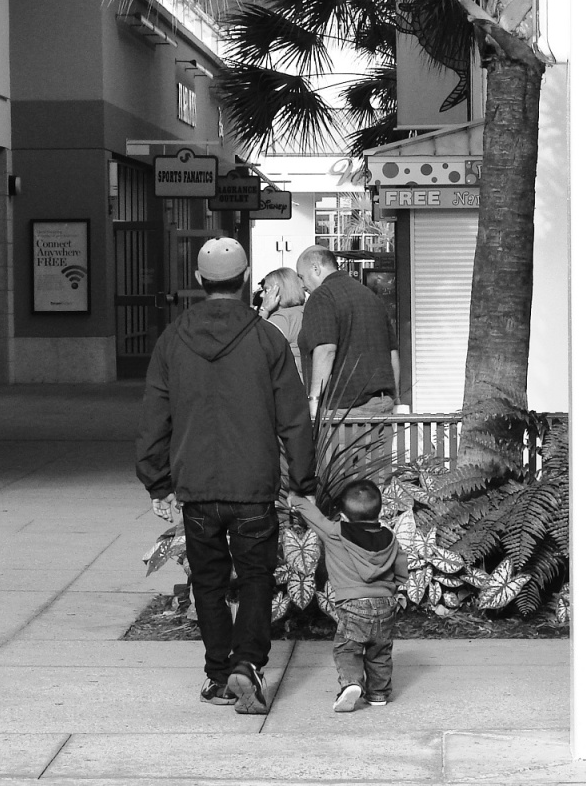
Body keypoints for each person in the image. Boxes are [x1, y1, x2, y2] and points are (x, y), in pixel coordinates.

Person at [136, 237, 318, 715]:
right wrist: (303, 482)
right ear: (246, 277)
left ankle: (219, 674)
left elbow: (155, 416)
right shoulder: (267, 338)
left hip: (197, 487)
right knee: (257, 578)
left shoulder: (172, 338)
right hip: (253, 485)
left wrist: (158, 482)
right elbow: (294, 418)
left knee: (208, 582)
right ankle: (247, 663)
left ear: (199, 280)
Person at [287, 480, 408, 712]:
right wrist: (397, 588)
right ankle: (378, 694)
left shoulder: (336, 532)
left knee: (348, 648)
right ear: (379, 511)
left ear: (342, 515)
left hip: (353, 605)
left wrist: (297, 500)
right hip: (385, 604)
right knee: (380, 651)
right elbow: (401, 567)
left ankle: (352, 683)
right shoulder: (390, 538)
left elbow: (315, 517)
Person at [295, 245, 399, 420]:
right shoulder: (370, 296)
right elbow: (392, 353)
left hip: (343, 411)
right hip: (382, 406)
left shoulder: (322, 296)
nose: (301, 284)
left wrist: (314, 400)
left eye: (301, 277)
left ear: (316, 268)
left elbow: (326, 349)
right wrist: (395, 399)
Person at [257, 267, 306, 380]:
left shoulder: (281, 319)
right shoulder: (302, 313)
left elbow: (256, 346)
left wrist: (264, 310)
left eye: (266, 290)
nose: (261, 295)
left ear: (277, 292)